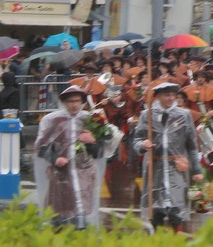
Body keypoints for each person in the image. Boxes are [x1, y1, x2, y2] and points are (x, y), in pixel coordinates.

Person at [33, 85, 120, 229]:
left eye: (77, 101)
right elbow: (41, 147)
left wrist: (92, 141)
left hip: (84, 174)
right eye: (70, 101)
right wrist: (55, 159)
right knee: (59, 216)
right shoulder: (53, 120)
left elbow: (102, 152)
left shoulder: (91, 120)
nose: (74, 105)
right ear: (64, 102)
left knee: (81, 215)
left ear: (82, 102)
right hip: (61, 175)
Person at [133, 82, 203, 232]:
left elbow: (191, 145)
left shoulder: (184, 115)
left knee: (176, 208)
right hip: (155, 167)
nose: (171, 98)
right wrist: (143, 144)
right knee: (156, 209)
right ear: (157, 96)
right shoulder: (147, 115)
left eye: (173, 95)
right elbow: (137, 140)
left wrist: (197, 170)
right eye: (167, 95)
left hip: (177, 167)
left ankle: (175, 241)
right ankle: (156, 241)